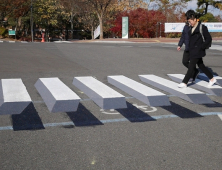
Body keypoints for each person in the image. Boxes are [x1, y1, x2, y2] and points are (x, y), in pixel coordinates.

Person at [178, 10, 217, 88]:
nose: (190, 23)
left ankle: (184, 82)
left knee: (191, 66)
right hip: (192, 50)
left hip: (197, 50)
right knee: (201, 66)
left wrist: (202, 47)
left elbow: (208, 38)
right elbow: (185, 36)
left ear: (195, 19)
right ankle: (212, 79)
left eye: (191, 21)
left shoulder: (202, 27)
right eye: (189, 21)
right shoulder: (190, 28)